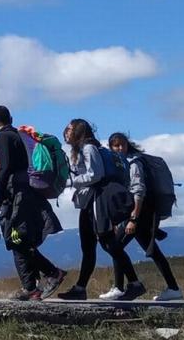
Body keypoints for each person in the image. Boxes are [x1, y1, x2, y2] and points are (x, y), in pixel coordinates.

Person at [57, 119, 146, 301]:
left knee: (107, 243)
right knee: (90, 246)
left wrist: (70, 182)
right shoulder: (89, 148)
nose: (66, 132)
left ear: (79, 131)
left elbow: (95, 174)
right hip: (91, 202)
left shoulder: (88, 148)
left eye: (69, 129)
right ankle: (81, 287)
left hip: (96, 202)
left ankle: (135, 284)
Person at [0, 106, 66, 301]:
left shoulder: (5, 137)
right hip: (28, 193)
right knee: (20, 241)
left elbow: (4, 168)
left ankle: (50, 274)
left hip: (18, 196)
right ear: (11, 118)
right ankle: (31, 288)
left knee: (16, 239)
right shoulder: (20, 136)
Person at [102, 132, 183, 301]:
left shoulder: (133, 162)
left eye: (122, 145)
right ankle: (173, 288)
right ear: (111, 147)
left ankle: (120, 287)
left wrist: (133, 219)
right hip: (141, 213)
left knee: (115, 247)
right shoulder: (123, 163)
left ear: (127, 145)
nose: (119, 148)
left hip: (139, 213)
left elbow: (138, 191)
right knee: (153, 252)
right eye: (115, 146)